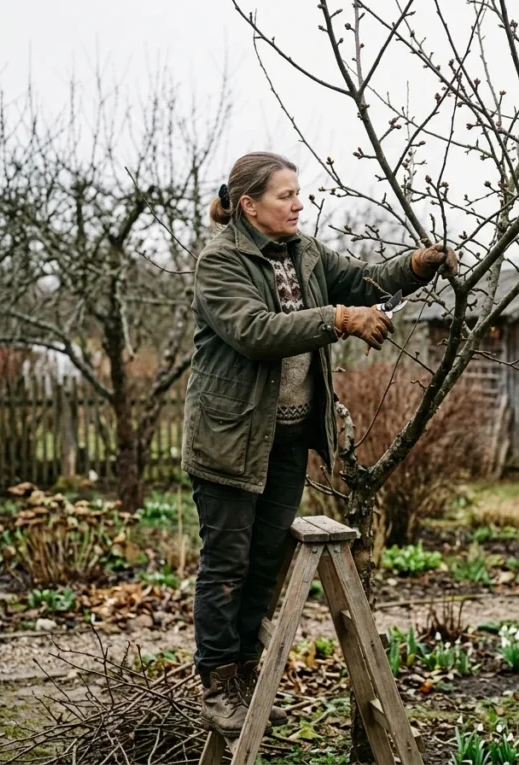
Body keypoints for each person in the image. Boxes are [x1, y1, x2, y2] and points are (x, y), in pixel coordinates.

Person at [180, 151, 456, 736]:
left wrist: (415, 263)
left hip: (286, 438)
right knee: (226, 565)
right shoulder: (220, 261)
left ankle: (247, 680)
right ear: (249, 205)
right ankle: (218, 686)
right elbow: (255, 333)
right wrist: (340, 319)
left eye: (299, 193)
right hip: (230, 442)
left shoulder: (304, 253)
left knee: (265, 564)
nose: (299, 204)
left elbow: (361, 280)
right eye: (286, 196)